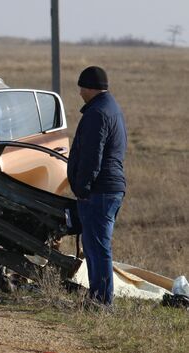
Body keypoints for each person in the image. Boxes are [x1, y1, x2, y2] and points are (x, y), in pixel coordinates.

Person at [67, 66, 127, 306]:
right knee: (96, 246)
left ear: (90, 88)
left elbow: (93, 156)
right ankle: (98, 297)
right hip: (110, 188)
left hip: (100, 191)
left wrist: (82, 188)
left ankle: (102, 301)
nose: (80, 92)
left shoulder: (97, 114)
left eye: (82, 87)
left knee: (98, 248)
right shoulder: (111, 109)